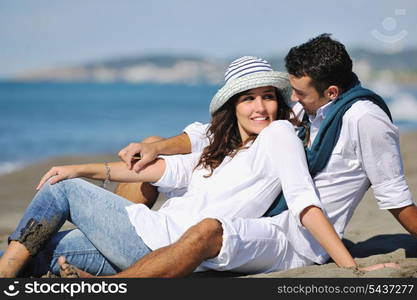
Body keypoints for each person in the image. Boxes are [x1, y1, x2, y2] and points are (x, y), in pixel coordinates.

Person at [62, 33, 416, 278]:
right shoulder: (314, 112)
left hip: (295, 236)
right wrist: (156, 145)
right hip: (269, 220)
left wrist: (349, 265)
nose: (291, 100)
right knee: (62, 244)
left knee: (204, 232)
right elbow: (208, 133)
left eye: (296, 93)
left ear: (331, 91)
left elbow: (395, 197)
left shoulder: (364, 119)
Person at [0, 56, 371, 278]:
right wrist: (82, 167)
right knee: (41, 248)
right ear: (233, 107)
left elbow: (304, 201)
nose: (260, 107)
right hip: (149, 247)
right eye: (249, 99)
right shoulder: (221, 151)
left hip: (161, 242)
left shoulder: (278, 136)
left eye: (268, 97)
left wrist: (348, 266)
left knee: (60, 190)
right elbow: (156, 170)